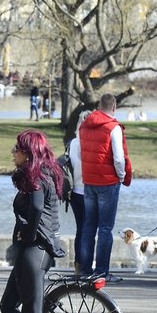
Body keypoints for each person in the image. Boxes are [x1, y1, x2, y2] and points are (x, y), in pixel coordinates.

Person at [0, 129, 64, 313]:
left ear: (28, 153)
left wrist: (26, 236)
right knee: (8, 305)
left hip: (35, 248)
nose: (13, 152)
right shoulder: (46, 171)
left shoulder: (35, 174)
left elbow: (37, 207)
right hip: (40, 248)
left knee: (32, 309)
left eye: (17, 148)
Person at [78, 93, 132, 283]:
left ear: (99, 106)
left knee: (88, 226)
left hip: (89, 180)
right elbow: (118, 158)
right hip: (107, 182)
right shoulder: (113, 127)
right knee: (105, 228)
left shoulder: (85, 124)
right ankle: (101, 271)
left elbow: (81, 151)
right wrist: (122, 175)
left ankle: (84, 270)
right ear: (114, 107)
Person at [68, 111, 90, 272]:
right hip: (89, 191)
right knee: (88, 229)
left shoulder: (72, 143)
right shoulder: (91, 142)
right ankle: (86, 264)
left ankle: (78, 264)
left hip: (74, 191)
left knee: (80, 229)